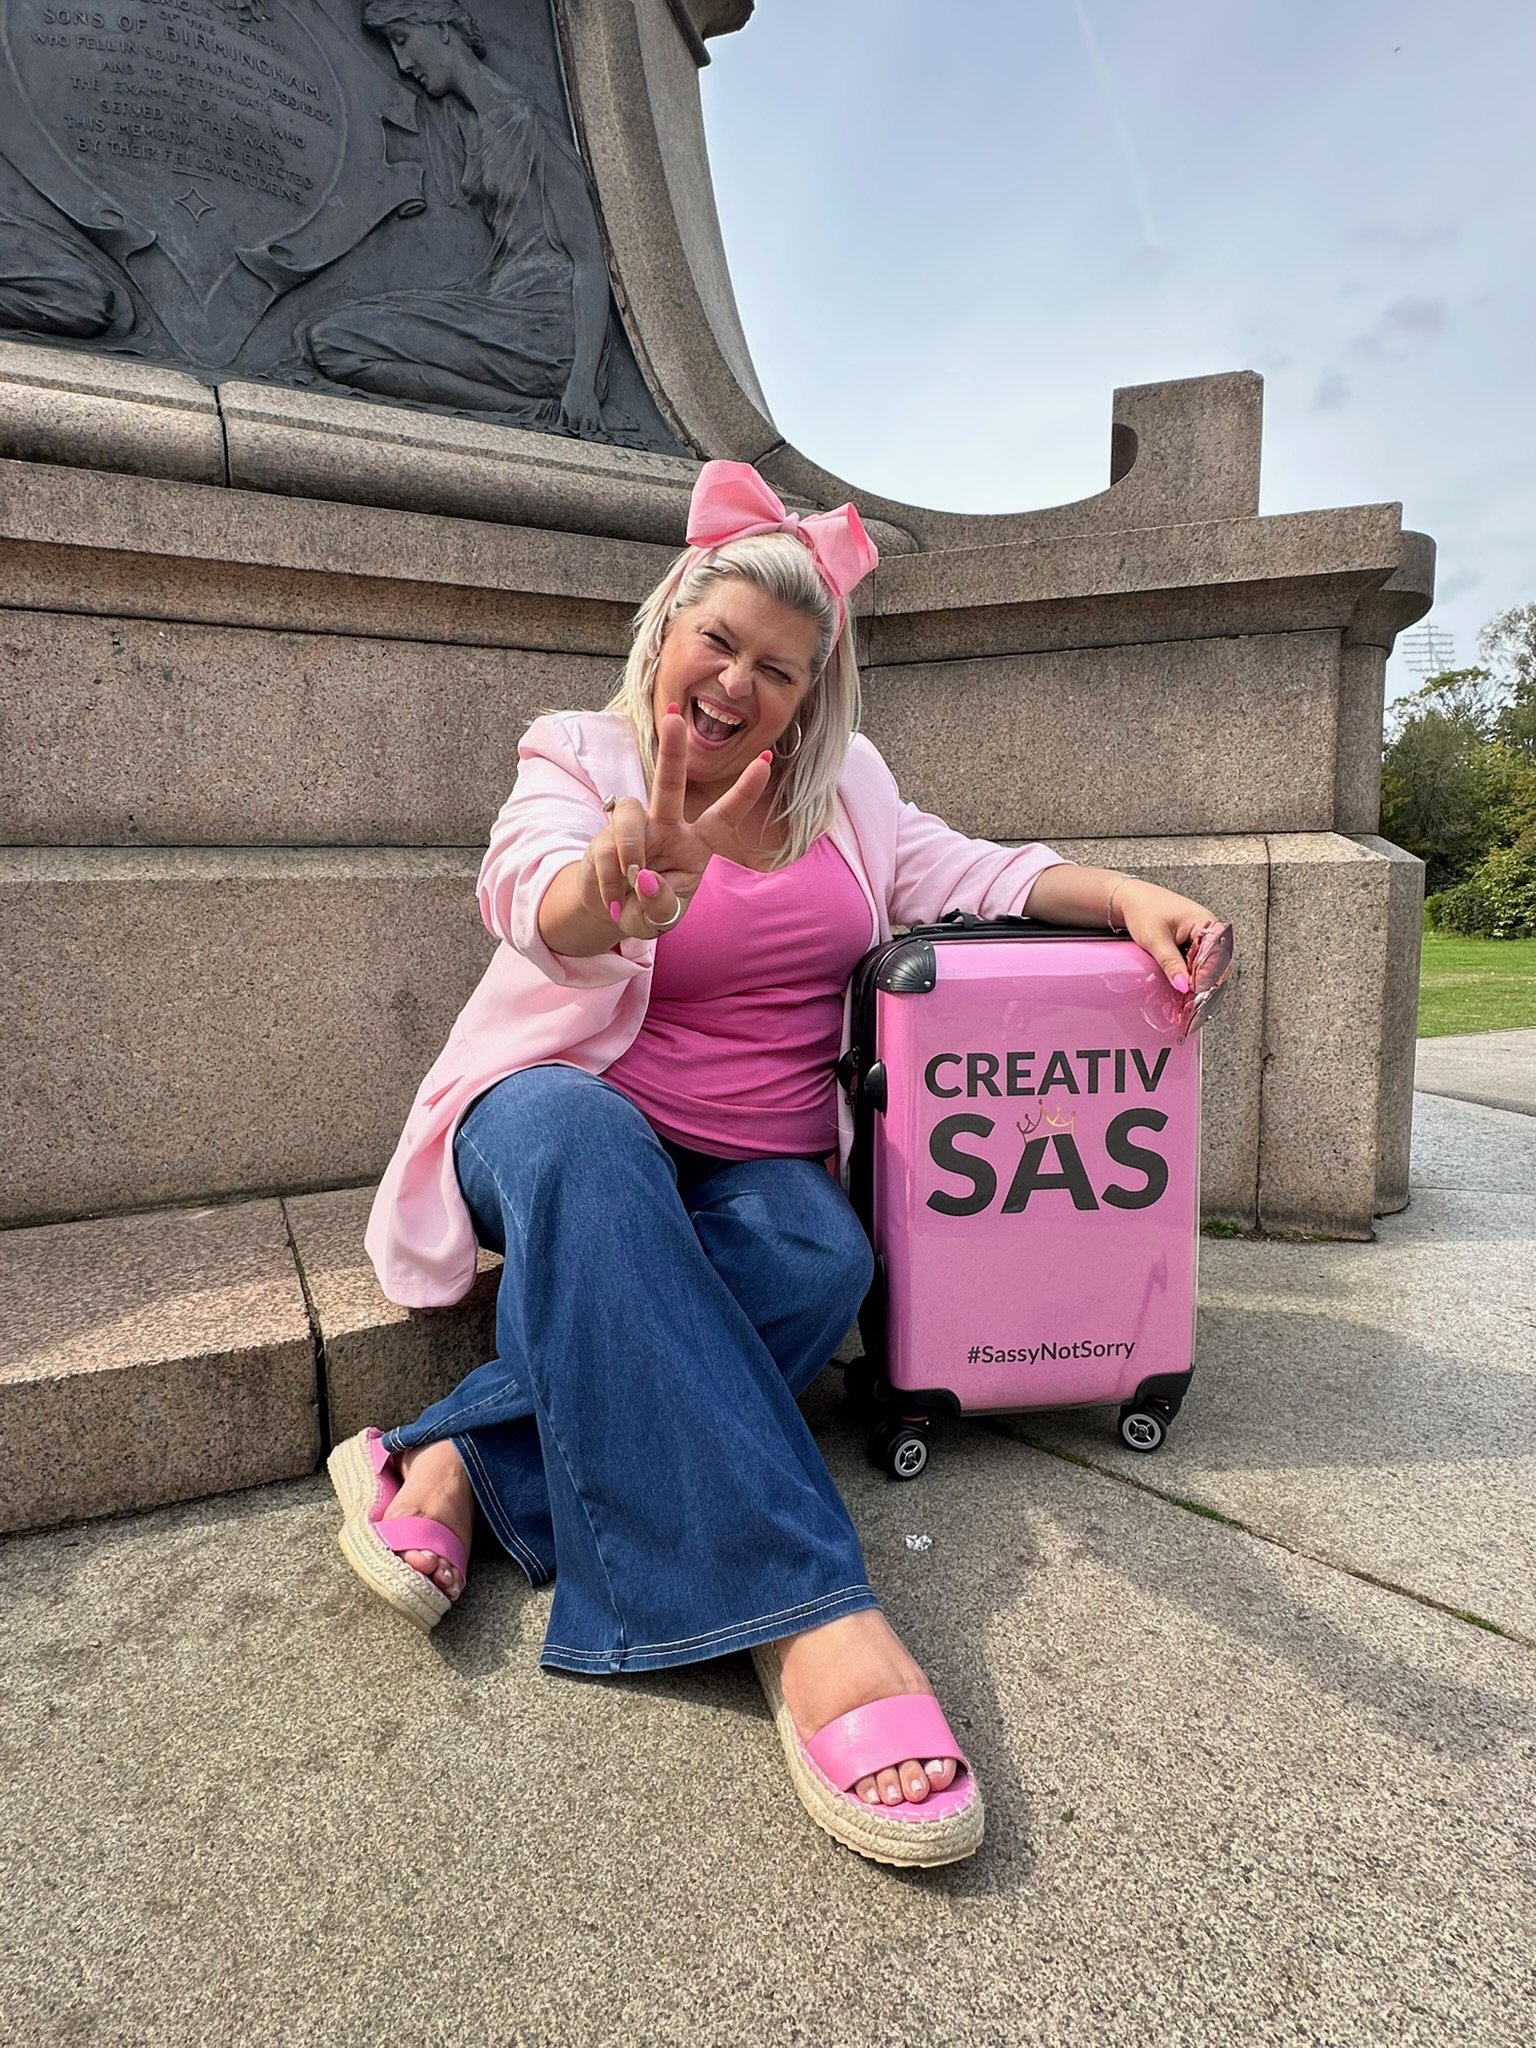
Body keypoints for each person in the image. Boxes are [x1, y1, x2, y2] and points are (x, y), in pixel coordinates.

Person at [331, 461, 1226, 1868]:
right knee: (584, 1142)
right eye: (721, 643)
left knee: (821, 1250)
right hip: (563, 1119)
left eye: (782, 670)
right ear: (668, 629)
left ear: (814, 695)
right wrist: (609, 888)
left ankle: (452, 1450)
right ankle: (811, 1614)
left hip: (755, 1163)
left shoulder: (850, 792)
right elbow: (529, 892)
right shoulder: (581, 755)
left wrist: (1126, 896)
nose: (741, 683)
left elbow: (972, 874)